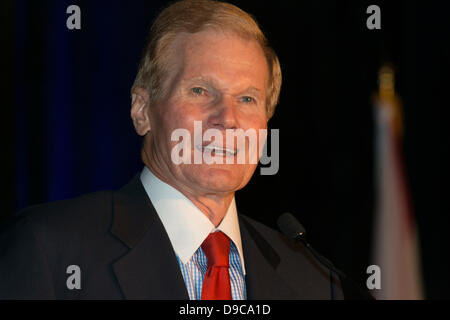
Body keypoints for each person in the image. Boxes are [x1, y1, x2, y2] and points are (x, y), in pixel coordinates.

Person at [0, 0, 343, 299]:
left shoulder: (313, 279)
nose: (228, 119)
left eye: (247, 98)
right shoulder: (49, 249)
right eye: (199, 90)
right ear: (142, 110)